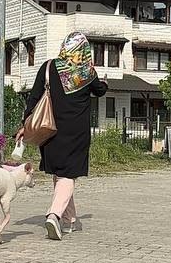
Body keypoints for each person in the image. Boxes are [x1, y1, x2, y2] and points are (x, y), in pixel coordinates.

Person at [16, 32, 108, 240]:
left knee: (61, 175)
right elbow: (100, 91)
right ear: (84, 50)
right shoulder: (86, 72)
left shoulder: (48, 67)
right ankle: (54, 215)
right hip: (76, 132)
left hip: (50, 129)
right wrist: (104, 83)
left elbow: (34, 97)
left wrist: (25, 125)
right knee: (69, 175)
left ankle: (69, 220)